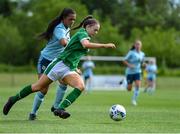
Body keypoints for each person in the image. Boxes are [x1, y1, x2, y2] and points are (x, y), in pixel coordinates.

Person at [3, 15, 116, 119]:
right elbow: (85, 45)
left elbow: (74, 53)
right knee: (38, 87)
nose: (96, 32)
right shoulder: (82, 33)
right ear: (88, 26)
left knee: (80, 86)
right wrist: (105, 45)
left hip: (69, 69)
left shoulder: (85, 35)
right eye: (95, 30)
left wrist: (75, 68)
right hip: (59, 65)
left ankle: (60, 108)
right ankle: (13, 99)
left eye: (97, 31)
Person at [29, 8, 76, 120]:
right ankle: (33, 113)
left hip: (57, 61)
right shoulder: (59, 28)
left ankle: (55, 107)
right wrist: (77, 46)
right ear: (64, 18)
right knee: (43, 89)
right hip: (46, 60)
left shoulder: (67, 28)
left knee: (64, 82)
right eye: (70, 19)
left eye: (74, 19)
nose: (72, 22)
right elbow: (64, 43)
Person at [123, 40, 145, 106]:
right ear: (135, 45)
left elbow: (142, 62)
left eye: (139, 44)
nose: (138, 46)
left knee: (138, 85)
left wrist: (144, 64)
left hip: (137, 72)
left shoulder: (142, 54)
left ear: (141, 46)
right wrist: (129, 65)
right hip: (129, 72)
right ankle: (124, 82)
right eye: (137, 44)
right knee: (129, 89)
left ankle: (134, 100)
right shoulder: (131, 52)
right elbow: (124, 60)